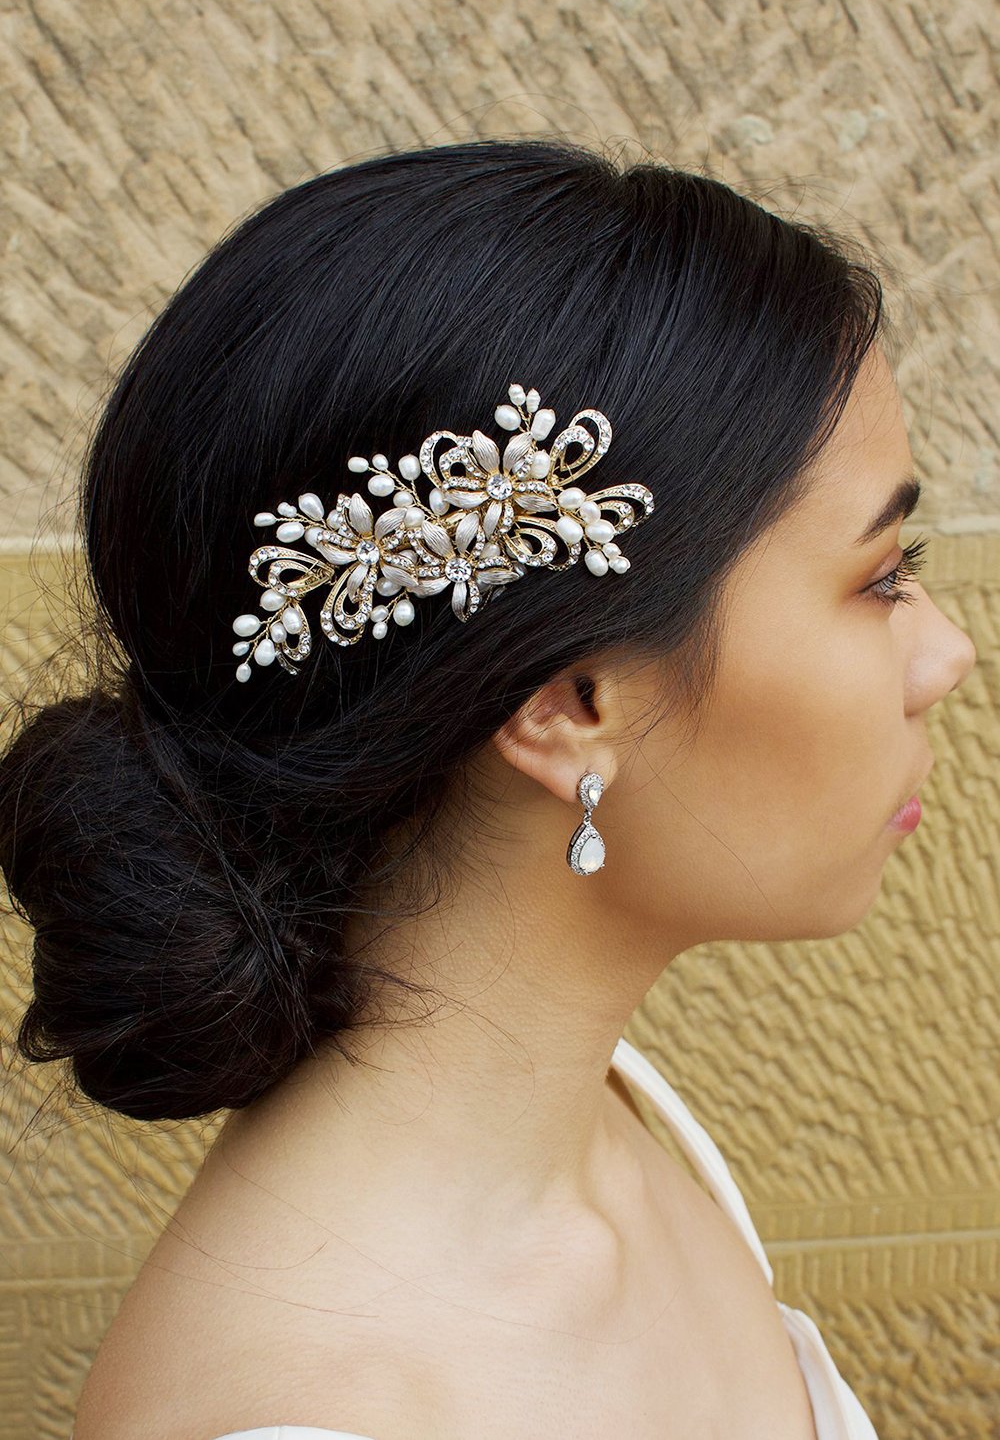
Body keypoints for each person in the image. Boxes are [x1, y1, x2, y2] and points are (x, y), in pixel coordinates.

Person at [0, 138, 976, 1440]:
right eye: (878, 576)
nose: (946, 654)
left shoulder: (621, 1116)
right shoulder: (315, 1405)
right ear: (571, 705)